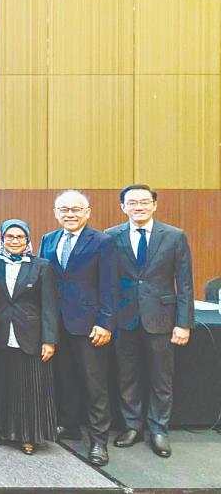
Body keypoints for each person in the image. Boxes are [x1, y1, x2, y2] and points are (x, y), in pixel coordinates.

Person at [106, 185, 193, 459]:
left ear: (154, 205)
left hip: (162, 318)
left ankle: (158, 429)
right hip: (124, 318)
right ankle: (132, 425)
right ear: (123, 207)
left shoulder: (174, 236)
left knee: (161, 378)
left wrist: (184, 323)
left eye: (144, 202)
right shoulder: (110, 236)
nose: (139, 207)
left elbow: (186, 283)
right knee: (126, 376)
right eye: (132, 202)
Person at [39, 189, 118, 466]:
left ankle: (98, 441)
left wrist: (105, 322)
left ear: (87, 212)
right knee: (65, 379)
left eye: (75, 209)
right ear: (55, 213)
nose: (69, 214)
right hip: (56, 326)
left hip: (89, 326)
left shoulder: (103, 241)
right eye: (64, 210)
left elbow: (110, 285)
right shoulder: (48, 239)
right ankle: (69, 425)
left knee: (95, 385)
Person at [0, 220, 58, 455]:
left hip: (31, 337)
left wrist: (49, 340)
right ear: (2, 239)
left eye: (20, 237)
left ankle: (28, 437)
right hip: (0, 335)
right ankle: (2, 431)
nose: (15, 241)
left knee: (29, 389)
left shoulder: (42, 266)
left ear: (28, 240)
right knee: (2, 386)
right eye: (10, 237)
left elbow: (49, 306)